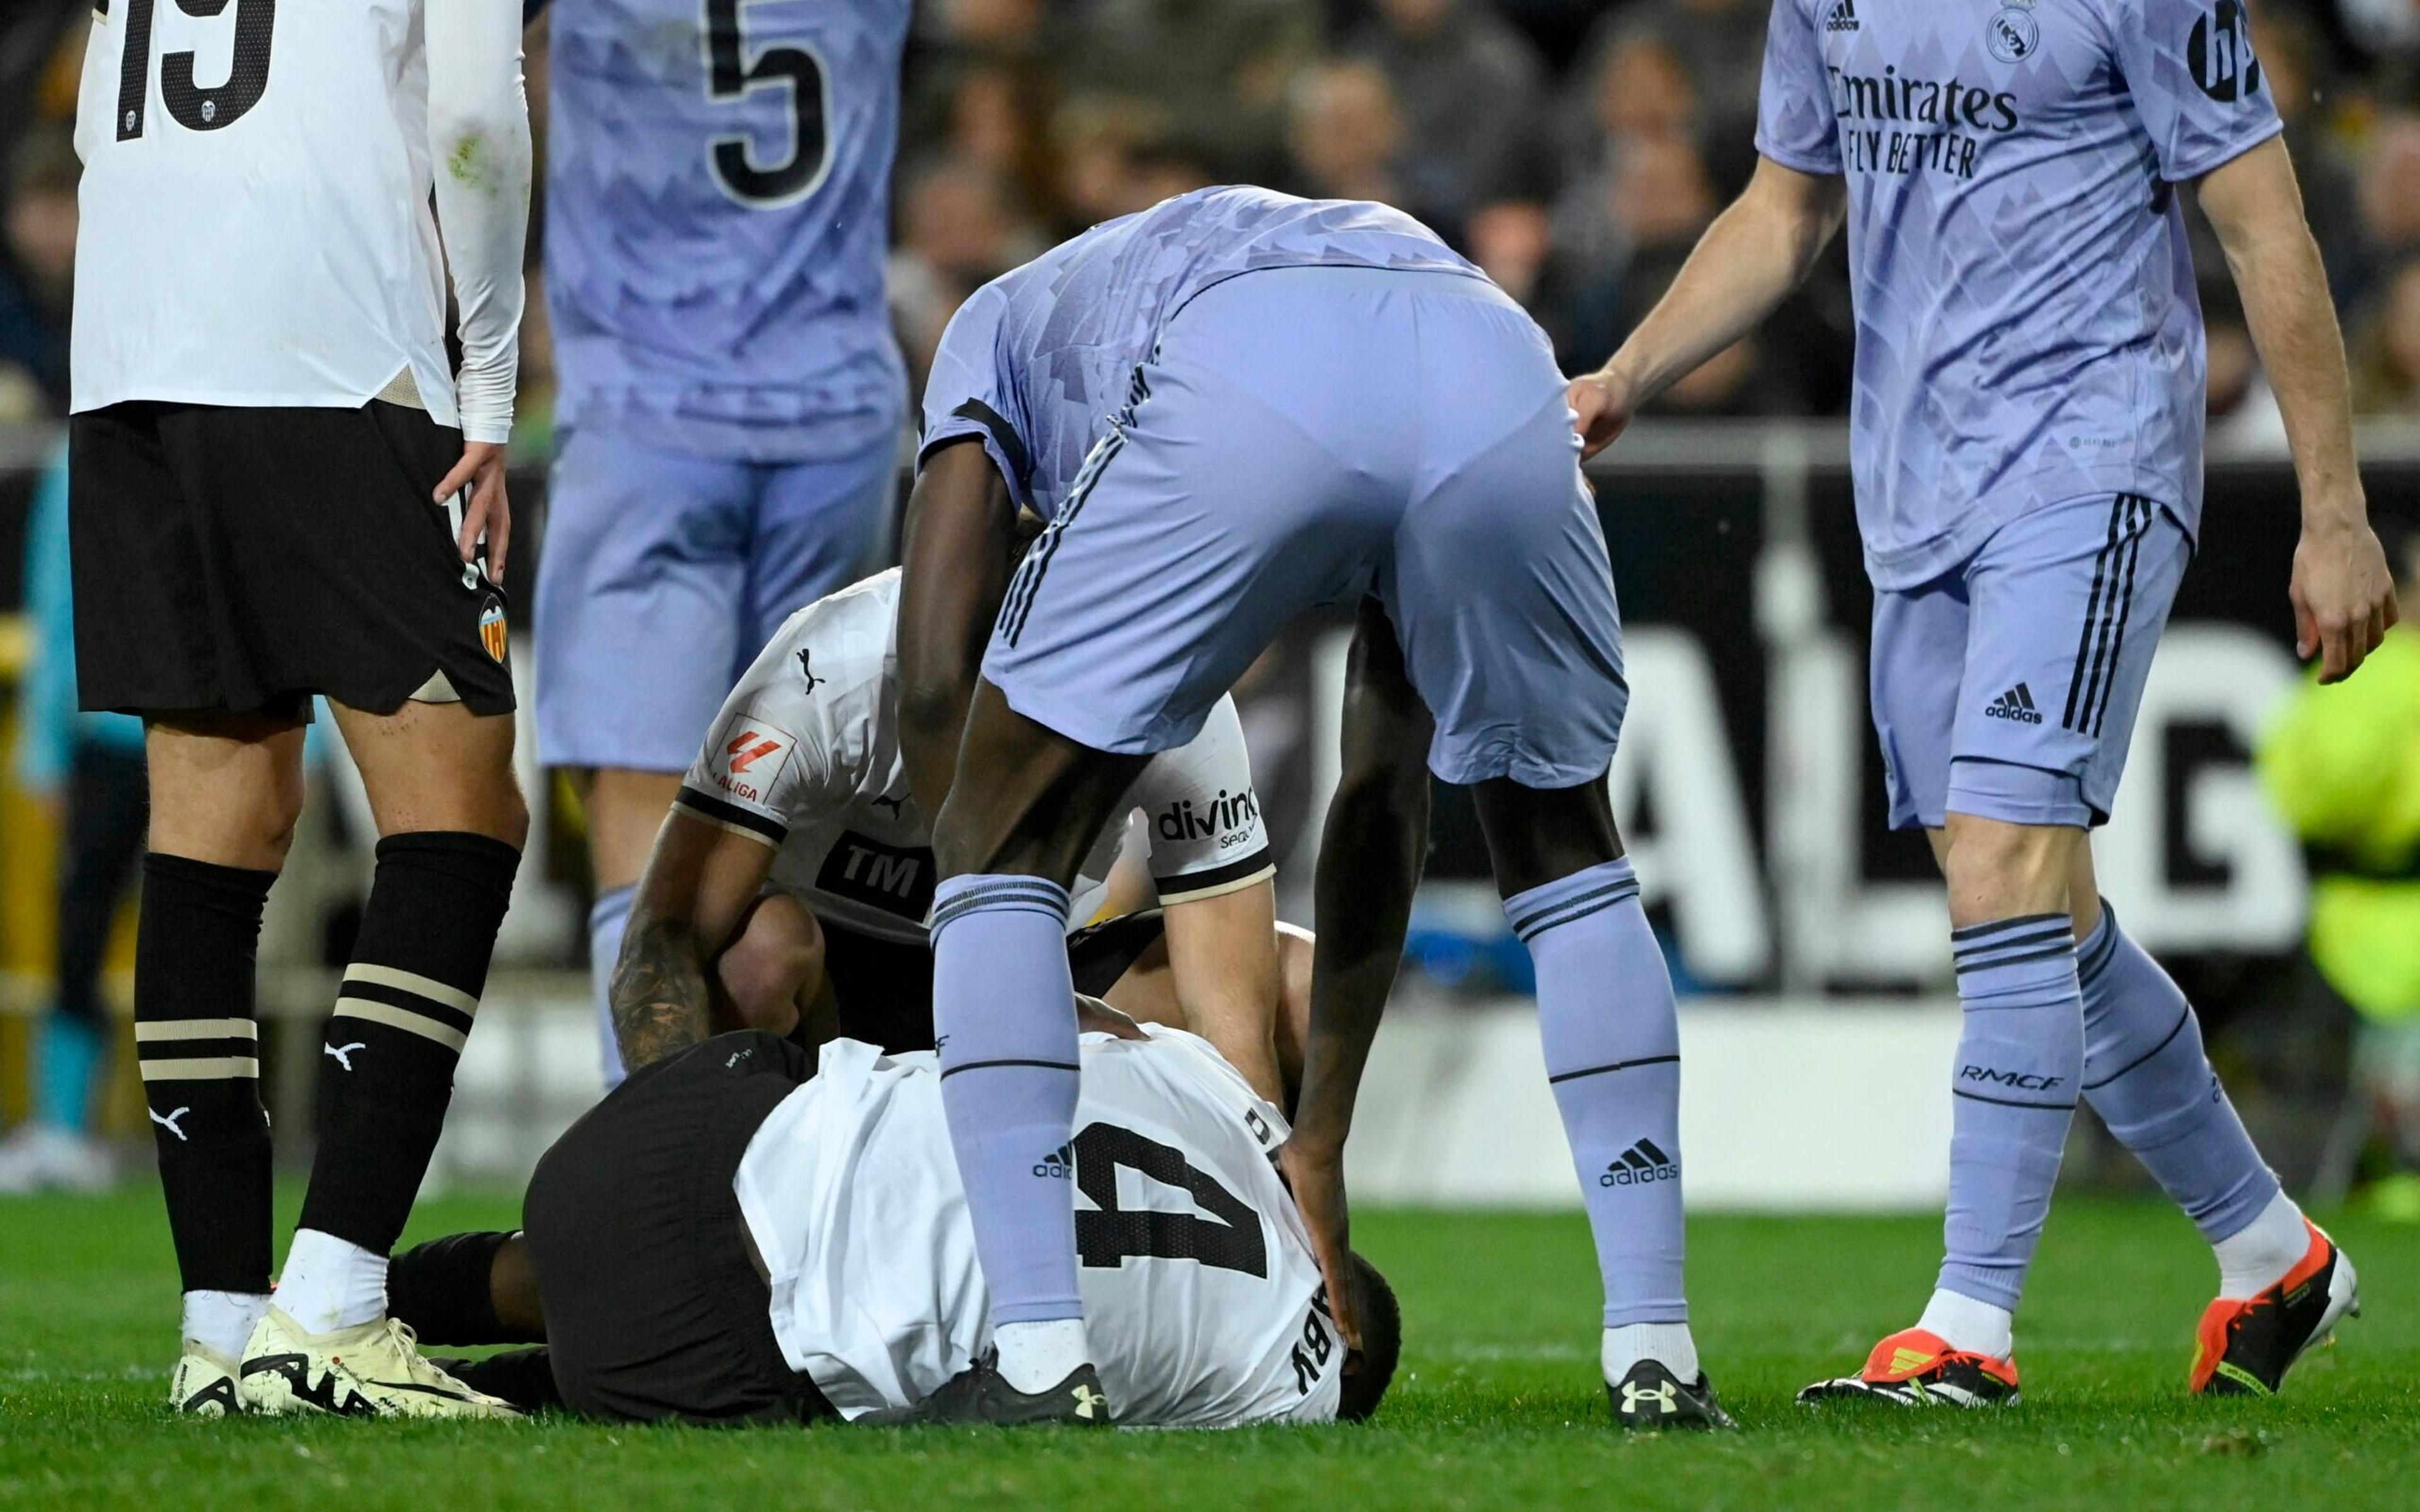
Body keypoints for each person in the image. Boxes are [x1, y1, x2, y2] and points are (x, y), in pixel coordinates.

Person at [1567, 0, 2400, 1405]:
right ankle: (2272, 1251)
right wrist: (1631, 372)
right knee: (2030, 906)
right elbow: (1783, 212)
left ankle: (1969, 1328)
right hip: (1916, 496)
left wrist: (2337, 509)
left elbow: (2266, 225)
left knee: (2006, 869)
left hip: (2093, 459)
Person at [894, 186, 1721, 1429]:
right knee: (1561, 844)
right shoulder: (1189, 263)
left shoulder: (987, 335)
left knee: (990, 836)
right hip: (1496, 359)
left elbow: (927, 676)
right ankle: (1656, 1350)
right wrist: (1320, 1135)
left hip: (1249, 361)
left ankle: (1037, 1356)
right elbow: (1384, 796)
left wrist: (968, 919)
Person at [69, 0, 533, 1418]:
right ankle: (332, 1301)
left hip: (130, 359)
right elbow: (474, 118)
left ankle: (220, 1326)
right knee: (463, 807)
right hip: (333, 352)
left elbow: (94, 110)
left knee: (215, 824)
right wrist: (492, 385)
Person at [383, 1008, 1398, 1426]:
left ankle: (326, 1300)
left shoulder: (1226, 1095)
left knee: (548, 1268)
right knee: (634, 1354)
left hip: (667, 1134)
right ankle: (379, 1390)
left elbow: (1075, 1010)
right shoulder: (1289, 1386)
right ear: (1339, 1327)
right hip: (690, 1343)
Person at [533, 0, 912, 1089]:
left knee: (653, 819)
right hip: (835, 418)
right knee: (810, 817)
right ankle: (817, 1169)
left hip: (648, 423)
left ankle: (652, 1173)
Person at [607, 565, 1310, 1104]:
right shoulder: (830, 666)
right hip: (828, 983)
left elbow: (1235, 1022)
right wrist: (677, 1151)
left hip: (1029, 967)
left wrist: (1270, 1197)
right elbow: (663, 941)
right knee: (757, 957)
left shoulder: (1168, 687)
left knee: (1296, 986)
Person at [0, 444, 141, 1194]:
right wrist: (45, 752)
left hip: (219, 734)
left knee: (211, 934)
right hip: (110, 739)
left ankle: (211, 1126)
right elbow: (56, 600)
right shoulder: (80, 458)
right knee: (80, 929)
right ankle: (62, 1126)